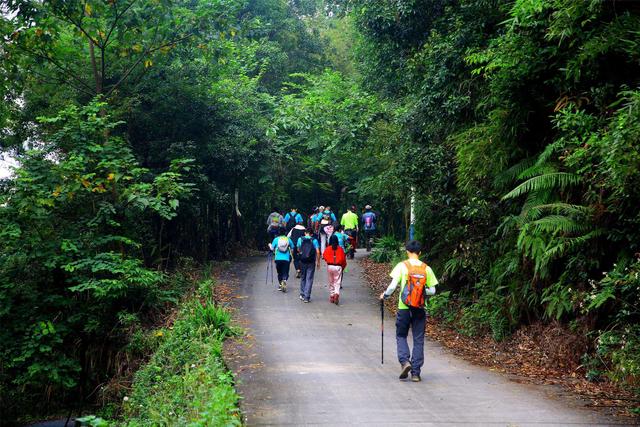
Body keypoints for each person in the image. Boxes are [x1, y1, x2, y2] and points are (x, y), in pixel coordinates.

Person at [379, 240, 437, 382]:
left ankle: (405, 362)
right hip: (419, 308)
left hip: (404, 307)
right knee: (418, 339)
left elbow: (393, 286)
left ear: (407, 251)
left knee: (401, 335)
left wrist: (384, 295)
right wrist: (422, 292)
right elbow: (433, 290)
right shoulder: (426, 268)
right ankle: (416, 373)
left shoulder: (402, 266)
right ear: (420, 253)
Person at [296, 228, 321, 303]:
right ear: (312, 234)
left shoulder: (300, 239)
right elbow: (318, 252)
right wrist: (318, 262)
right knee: (309, 278)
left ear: (305, 233)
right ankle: (307, 297)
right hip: (311, 261)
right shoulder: (314, 240)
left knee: (303, 277)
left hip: (302, 261)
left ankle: (302, 294)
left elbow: (298, 249)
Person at [323, 234, 347, 305]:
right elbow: (343, 259)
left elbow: (324, 256)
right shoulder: (340, 249)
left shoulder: (328, 248)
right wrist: (343, 267)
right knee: (337, 282)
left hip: (330, 266)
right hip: (338, 266)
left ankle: (332, 295)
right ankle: (336, 293)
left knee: (331, 281)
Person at [269, 228, 294, 292]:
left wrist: (269, 245)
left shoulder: (276, 239)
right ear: (285, 233)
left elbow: (272, 249)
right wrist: (291, 256)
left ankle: (280, 284)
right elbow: (292, 247)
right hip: (286, 259)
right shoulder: (288, 239)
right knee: (285, 271)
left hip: (278, 259)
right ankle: (284, 280)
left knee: (279, 272)